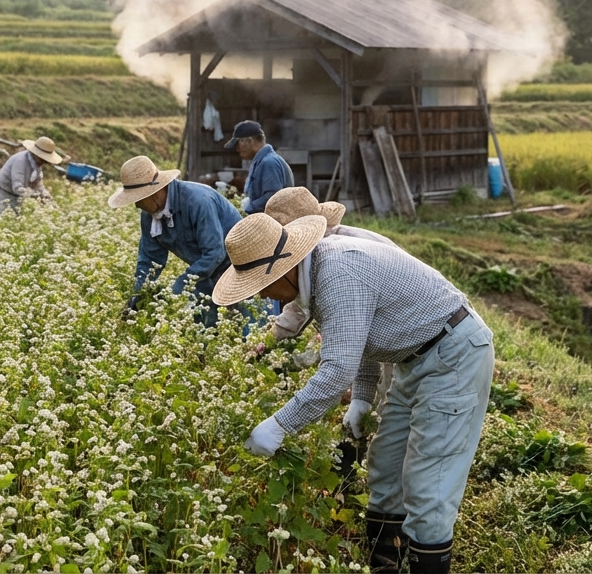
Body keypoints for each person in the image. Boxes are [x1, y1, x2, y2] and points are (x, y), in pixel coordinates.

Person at [213, 214, 494, 574]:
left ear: (282, 270)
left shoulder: (339, 273)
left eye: (261, 284)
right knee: (385, 466)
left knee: (429, 483)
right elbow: (362, 338)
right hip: (414, 360)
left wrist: (279, 425)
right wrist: (362, 397)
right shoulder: (321, 273)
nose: (262, 294)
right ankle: (386, 564)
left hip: (453, 356)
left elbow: (335, 372)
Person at [109, 155, 241, 327]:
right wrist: (137, 295)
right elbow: (149, 260)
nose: (136, 205)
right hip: (206, 272)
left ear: (153, 194)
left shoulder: (198, 201)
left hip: (240, 266)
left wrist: (180, 285)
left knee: (248, 326)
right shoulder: (149, 216)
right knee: (205, 325)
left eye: (138, 200)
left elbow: (214, 253)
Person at [263, 187, 398, 339]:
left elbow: (344, 330)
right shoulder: (328, 244)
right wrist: (269, 339)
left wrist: (269, 340)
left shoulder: (336, 257)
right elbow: (303, 301)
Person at [225, 120, 293, 214]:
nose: (237, 149)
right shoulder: (261, 161)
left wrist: (250, 206)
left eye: (238, 144)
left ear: (250, 141)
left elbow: (273, 196)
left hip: (274, 220)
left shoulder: (268, 162)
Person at [0, 136, 62, 213]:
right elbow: (17, 187)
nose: (44, 162)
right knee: (3, 217)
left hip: (18, 197)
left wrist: (47, 197)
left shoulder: (36, 165)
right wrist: (36, 195)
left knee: (15, 218)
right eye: (42, 159)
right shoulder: (21, 161)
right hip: (4, 194)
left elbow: (38, 185)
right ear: (36, 154)